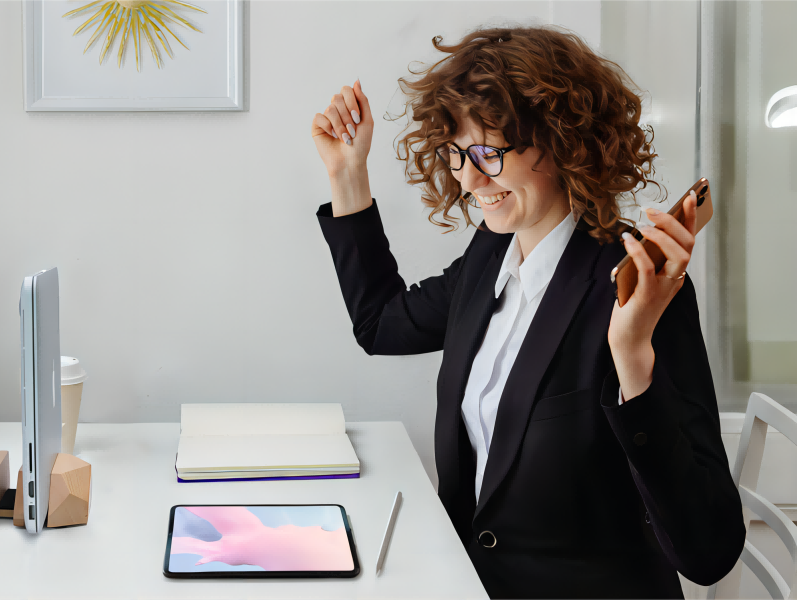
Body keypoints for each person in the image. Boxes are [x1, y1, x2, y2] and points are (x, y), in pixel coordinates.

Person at [309, 26, 745, 599]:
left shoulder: (639, 288)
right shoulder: (492, 252)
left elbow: (708, 550)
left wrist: (633, 358)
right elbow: (381, 324)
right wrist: (348, 172)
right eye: (456, 153)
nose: (468, 178)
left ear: (562, 142)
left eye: (488, 152)